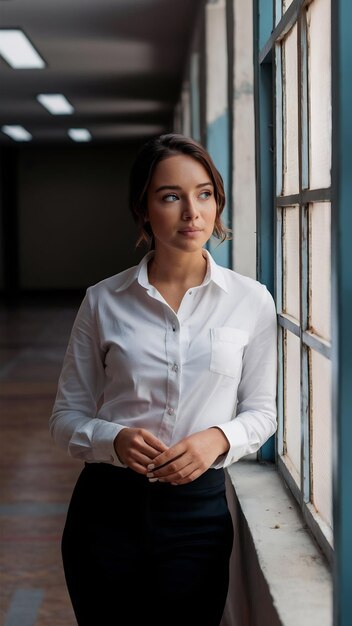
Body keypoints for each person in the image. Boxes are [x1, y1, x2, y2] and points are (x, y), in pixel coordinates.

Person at [49, 133, 277, 626]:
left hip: (197, 516)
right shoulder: (103, 301)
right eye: (170, 196)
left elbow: (262, 411)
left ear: (217, 202)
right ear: (144, 209)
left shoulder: (250, 300)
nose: (192, 212)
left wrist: (217, 439)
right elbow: (65, 418)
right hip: (105, 511)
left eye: (204, 194)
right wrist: (114, 438)